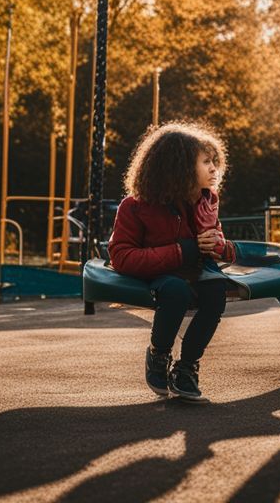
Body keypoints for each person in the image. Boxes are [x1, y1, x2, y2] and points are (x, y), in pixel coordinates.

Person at [108, 121, 237, 402]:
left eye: (215, 161)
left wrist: (221, 248)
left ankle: (187, 367)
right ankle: (159, 353)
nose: (214, 168)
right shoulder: (135, 206)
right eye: (206, 162)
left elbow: (220, 245)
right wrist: (184, 251)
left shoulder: (203, 203)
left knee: (216, 292)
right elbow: (121, 256)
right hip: (160, 273)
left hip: (195, 271)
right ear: (178, 168)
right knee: (175, 291)